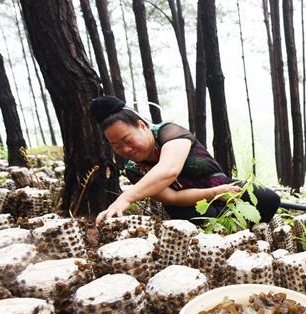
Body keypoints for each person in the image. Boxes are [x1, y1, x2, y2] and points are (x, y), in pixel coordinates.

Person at [90, 96, 280, 225]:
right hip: (188, 204)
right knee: (210, 221)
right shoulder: (133, 169)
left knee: (269, 200)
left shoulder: (169, 133)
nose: (125, 149)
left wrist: (127, 197)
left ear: (142, 126)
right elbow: (172, 198)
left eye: (127, 140)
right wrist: (213, 193)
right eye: (116, 146)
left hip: (224, 186)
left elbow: (169, 169)